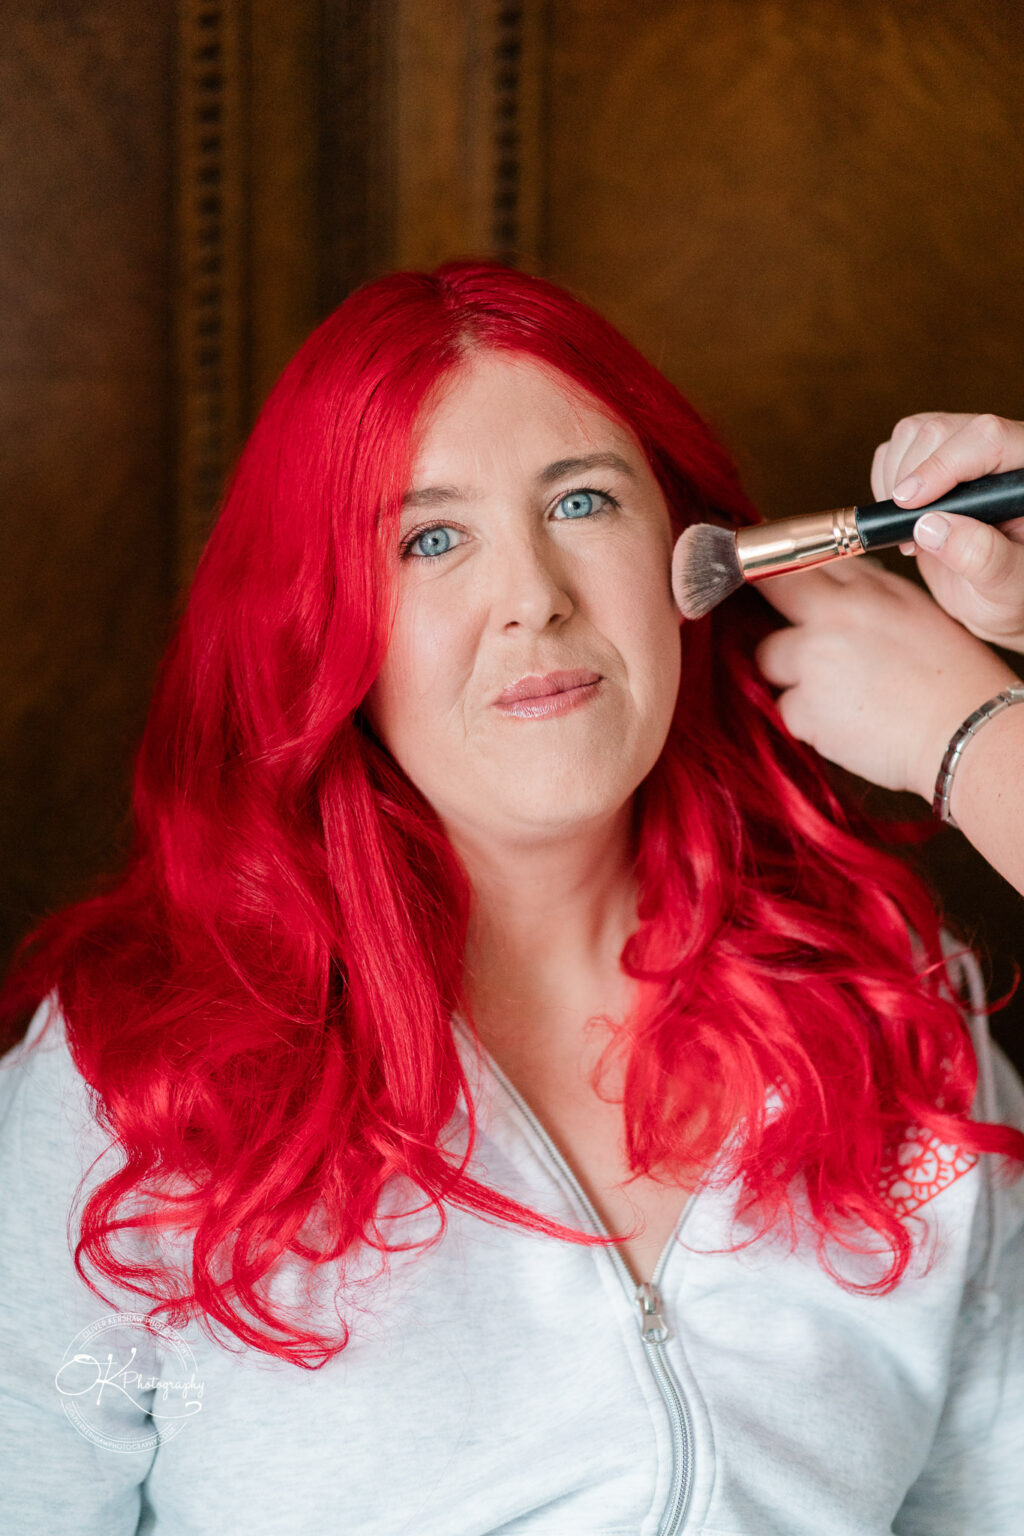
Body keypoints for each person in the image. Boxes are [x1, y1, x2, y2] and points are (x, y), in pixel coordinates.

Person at [0, 260, 1022, 1536]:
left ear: (687, 556)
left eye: (583, 500)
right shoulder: (134, 1089)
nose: (532, 595)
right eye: (430, 537)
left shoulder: (900, 1026)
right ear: (324, 627)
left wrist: (988, 744)